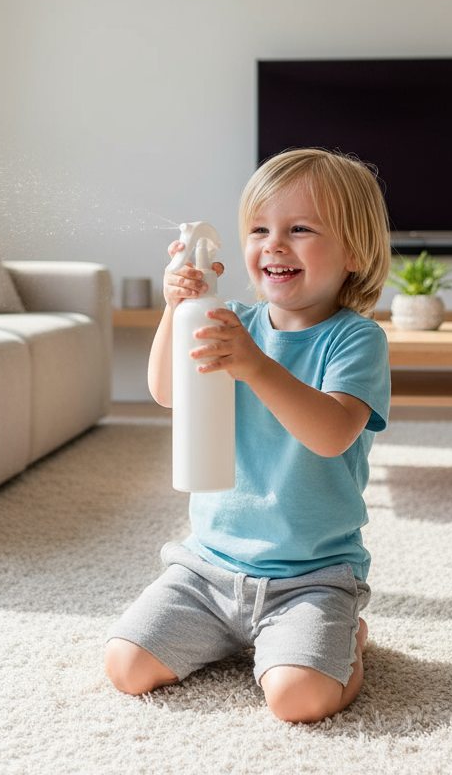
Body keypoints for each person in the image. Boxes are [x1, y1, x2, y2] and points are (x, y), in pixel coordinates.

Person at [105, 148, 392, 723]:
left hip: (311, 577)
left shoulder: (356, 340)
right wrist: (176, 309)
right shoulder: (228, 319)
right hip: (207, 569)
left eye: (299, 229)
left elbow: (332, 433)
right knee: (126, 666)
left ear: (354, 253)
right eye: (259, 229)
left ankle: (347, 639)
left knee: (298, 700)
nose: (274, 244)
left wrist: (255, 365)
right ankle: (247, 638)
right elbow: (166, 390)